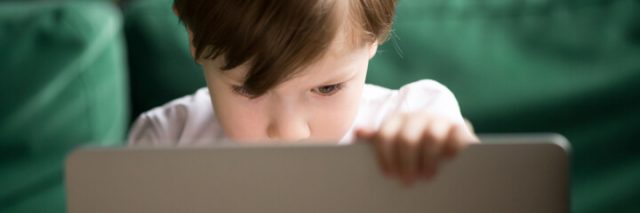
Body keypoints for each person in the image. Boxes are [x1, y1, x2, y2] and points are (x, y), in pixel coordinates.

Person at [129, 0, 479, 186]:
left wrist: (449, 157)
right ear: (193, 38)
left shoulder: (415, 117)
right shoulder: (165, 142)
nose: (290, 132)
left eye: (327, 88)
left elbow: (483, 194)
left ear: (374, 37)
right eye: (251, 88)